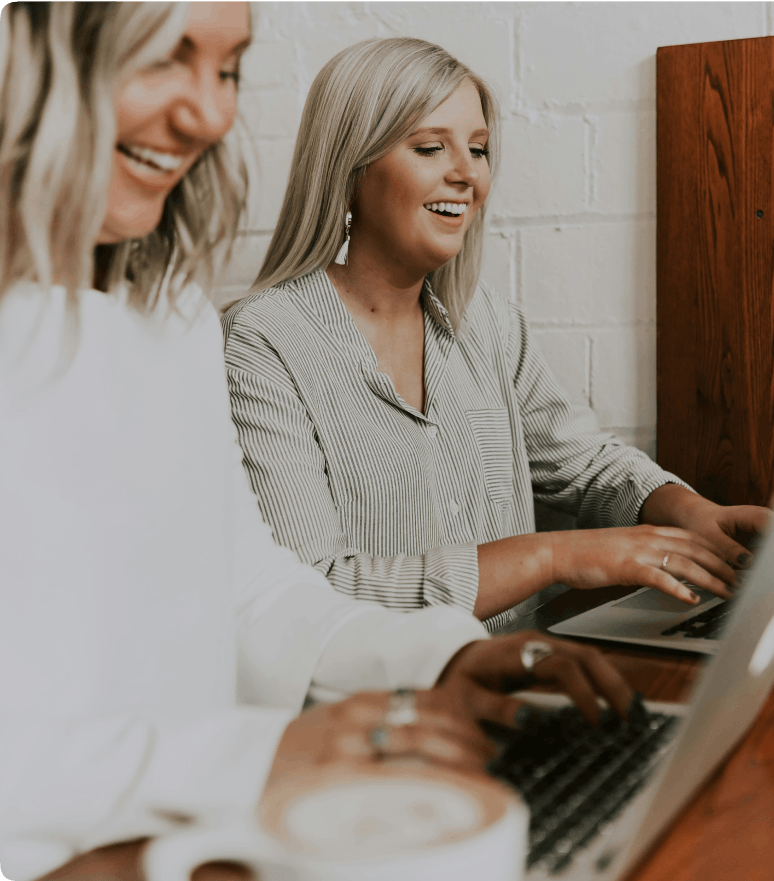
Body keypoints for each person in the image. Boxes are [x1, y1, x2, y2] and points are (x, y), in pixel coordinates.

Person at [0, 5, 634, 880]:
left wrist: (444, 653)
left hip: (195, 840)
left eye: (227, 71)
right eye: (160, 58)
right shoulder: (253, 336)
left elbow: (253, 589)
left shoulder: (170, 315)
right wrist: (258, 757)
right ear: (29, 51)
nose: (211, 116)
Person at [221, 37, 771, 630]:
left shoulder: (486, 324)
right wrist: (555, 556)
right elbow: (313, 593)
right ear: (350, 170)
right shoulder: (261, 343)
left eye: (479, 150)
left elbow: (582, 463)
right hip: (387, 708)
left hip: (524, 678)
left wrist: (692, 512)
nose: (467, 174)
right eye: (431, 147)